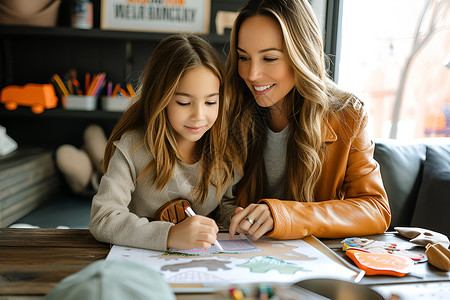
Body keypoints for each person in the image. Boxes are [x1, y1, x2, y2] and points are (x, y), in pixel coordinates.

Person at [225, 0, 391, 241]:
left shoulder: (347, 115)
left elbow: (376, 209)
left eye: (269, 58)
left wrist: (286, 215)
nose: (252, 74)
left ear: (301, 54)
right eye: (244, 57)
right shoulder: (225, 107)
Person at [89, 34, 235, 251]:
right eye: (184, 102)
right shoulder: (132, 147)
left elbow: (227, 205)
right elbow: (102, 218)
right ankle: (90, 147)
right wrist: (169, 235)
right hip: (140, 264)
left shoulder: (225, 150)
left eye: (211, 102)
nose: (199, 115)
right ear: (160, 97)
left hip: (197, 268)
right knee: (94, 157)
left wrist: (239, 218)